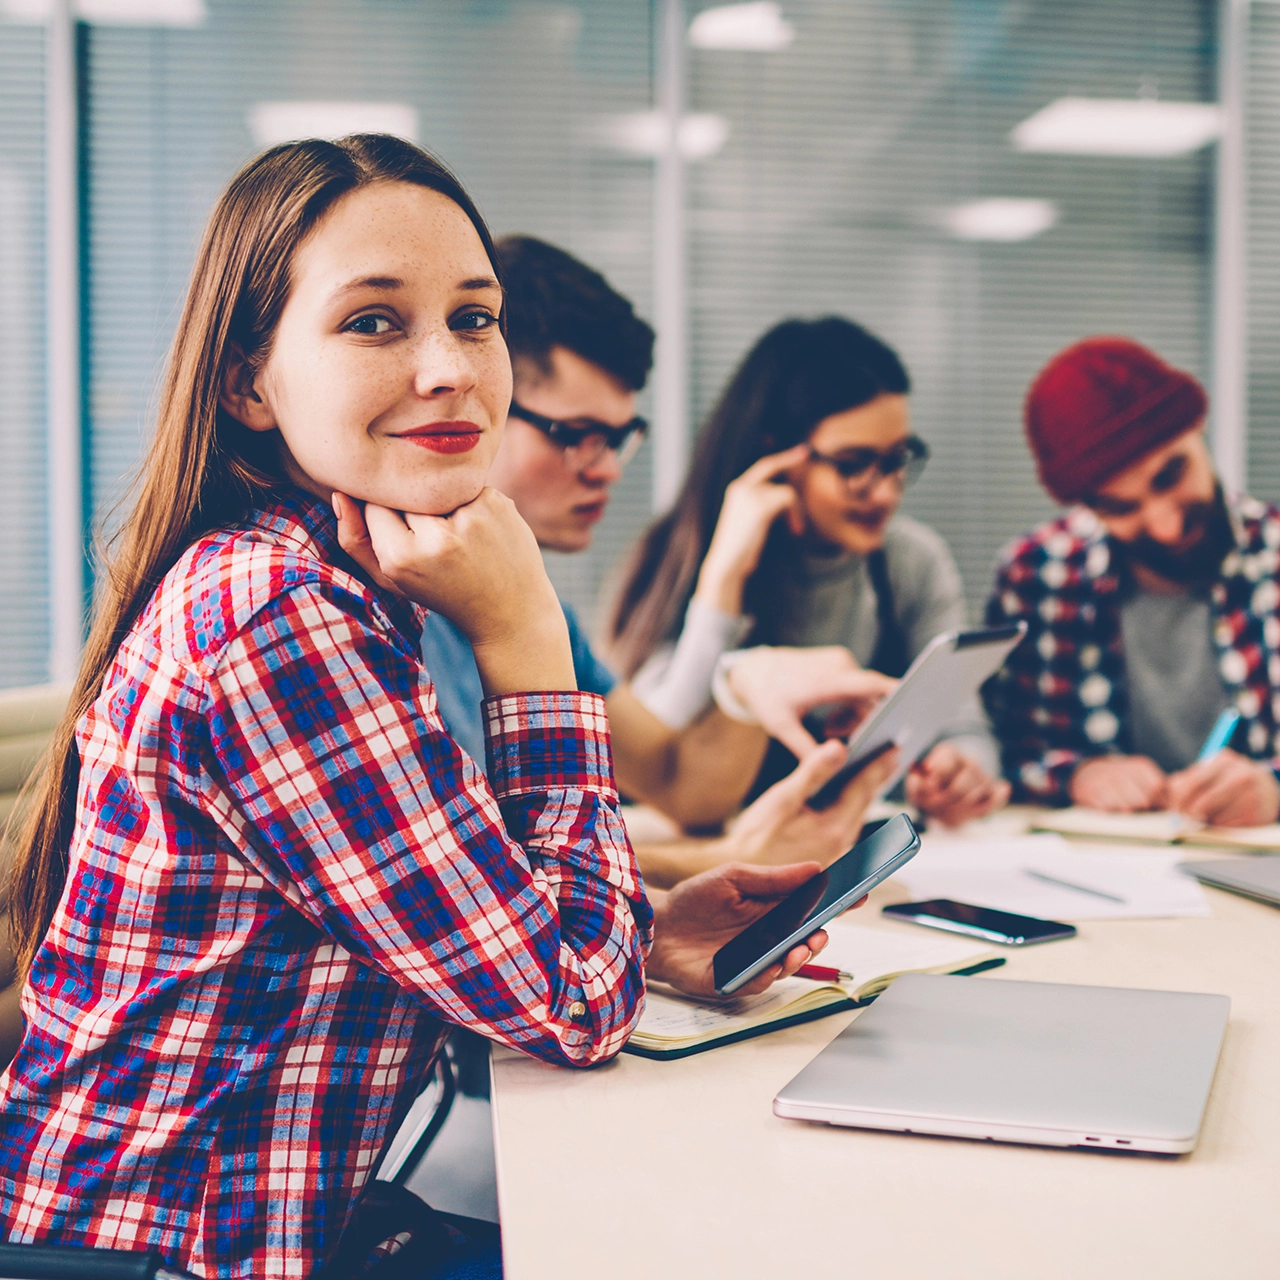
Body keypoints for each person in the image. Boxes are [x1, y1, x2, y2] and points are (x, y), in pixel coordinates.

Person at [0, 136, 854, 1280]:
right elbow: (568, 1005)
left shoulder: (330, 576)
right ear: (248, 381)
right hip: (171, 1254)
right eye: (374, 321)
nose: (451, 367)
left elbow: (495, 935)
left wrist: (642, 933)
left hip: (284, 1219)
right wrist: (527, 642)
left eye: (474, 315)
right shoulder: (281, 617)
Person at [417, 238, 900, 883]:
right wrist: (726, 860)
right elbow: (471, 876)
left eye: (618, 438)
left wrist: (749, 687)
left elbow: (680, 782)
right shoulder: (373, 604)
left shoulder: (530, 602)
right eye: (577, 436)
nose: (606, 470)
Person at [605, 315, 1008, 828]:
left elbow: (964, 726)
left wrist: (963, 770)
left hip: (838, 851)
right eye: (853, 464)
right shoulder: (682, 555)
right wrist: (723, 579)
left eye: (897, 459)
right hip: (707, 856)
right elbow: (654, 740)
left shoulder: (909, 562)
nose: (884, 491)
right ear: (777, 455)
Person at [984, 335, 1280, 826]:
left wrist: (1274, 788)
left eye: (1171, 475)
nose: (1165, 525)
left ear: (1197, 426)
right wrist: (1077, 775)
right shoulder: (1038, 574)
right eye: (1120, 507)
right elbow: (1005, 750)